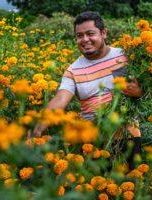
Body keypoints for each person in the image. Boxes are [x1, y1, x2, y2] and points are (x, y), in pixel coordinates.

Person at [30, 11, 142, 169]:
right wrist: (39, 126)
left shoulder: (124, 56)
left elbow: (147, 91)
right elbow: (60, 99)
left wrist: (139, 93)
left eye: (90, 33)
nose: (85, 40)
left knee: (131, 186)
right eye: (79, 35)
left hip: (127, 137)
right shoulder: (73, 71)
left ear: (103, 33)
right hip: (93, 142)